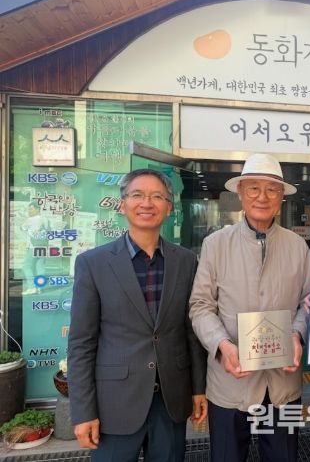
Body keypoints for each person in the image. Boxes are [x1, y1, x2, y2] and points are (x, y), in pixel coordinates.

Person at [67, 169, 207, 462]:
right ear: (122, 204)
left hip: (170, 401)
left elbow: (190, 332)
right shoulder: (93, 264)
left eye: (157, 196)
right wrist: (83, 411)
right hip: (115, 403)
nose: (147, 203)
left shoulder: (185, 261)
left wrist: (198, 389)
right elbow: (81, 343)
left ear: (169, 207)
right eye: (137, 195)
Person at [189, 153, 310, 462]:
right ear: (241, 193)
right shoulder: (216, 244)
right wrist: (222, 345)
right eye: (254, 188)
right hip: (230, 382)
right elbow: (200, 306)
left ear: (281, 198)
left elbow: (309, 302)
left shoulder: (297, 246)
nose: (262, 197)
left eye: (272, 189)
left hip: (282, 382)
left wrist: (297, 334)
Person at [21, 201, 49, 295]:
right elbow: (49, 230)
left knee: (26, 266)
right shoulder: (45, 219)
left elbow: (22, 228)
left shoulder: (30, 220)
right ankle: (40, 287)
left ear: (37, 209)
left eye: (31, 209)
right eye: (28, 209)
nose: (29, 211)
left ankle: (32, 287)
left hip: (33, 247)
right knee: (40, 267)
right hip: (43, 246)